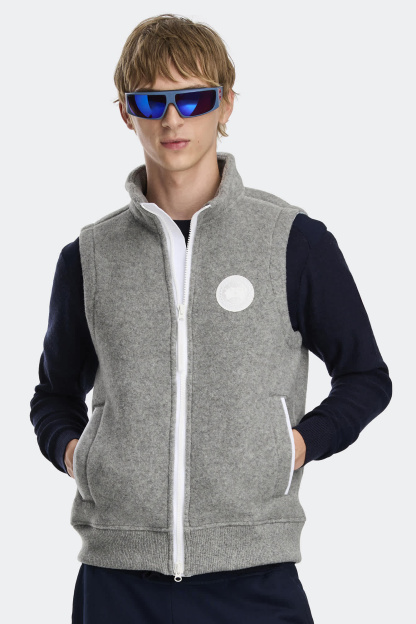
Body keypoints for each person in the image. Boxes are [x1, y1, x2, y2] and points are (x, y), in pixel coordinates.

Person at [29, 13, 392, 624]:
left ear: (225, 105)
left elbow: (366, 377)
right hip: (118, 576)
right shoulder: (89, 257)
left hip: (255, 572)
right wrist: (78, 455)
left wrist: (293, 446)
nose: (173, 119)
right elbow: (53, 395)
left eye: (194, 98)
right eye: (152, 100)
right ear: (127, 113)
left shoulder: (292, 241)